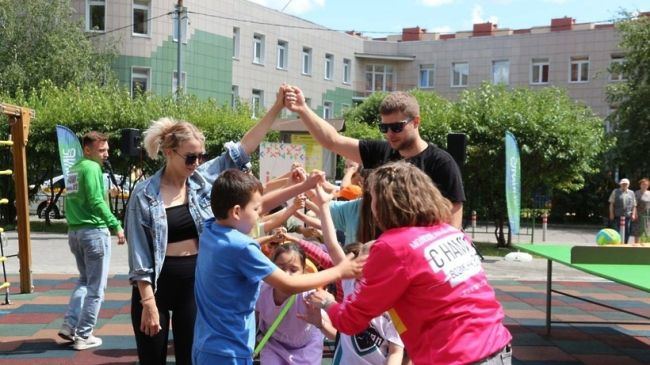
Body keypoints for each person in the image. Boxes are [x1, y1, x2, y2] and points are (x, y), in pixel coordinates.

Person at [124, 86, 287, 365]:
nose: (197, 163)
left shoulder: (201, 178)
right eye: (190, 157)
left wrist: (276, 107)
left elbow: (243, 149)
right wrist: (147, 303)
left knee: (192, 357)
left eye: (200, 156)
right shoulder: (145, 193)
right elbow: (139, 253)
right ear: (168, 152)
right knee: (152, 358)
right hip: (156, 286)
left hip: (194, 282)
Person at [307, 161, 512, 365]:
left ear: (386, 203)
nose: (371, 206)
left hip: (455, 356)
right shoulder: (451, 233)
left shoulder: (393, 246)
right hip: (497, 347)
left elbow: (350, 320)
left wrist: (328, 302)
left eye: (373, 199)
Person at [192, 169, 363, 365]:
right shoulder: (240, 246)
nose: (260, 214)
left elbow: (260, 203)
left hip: (205, 345)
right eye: (256, 211)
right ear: (237, 212)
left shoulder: (211, 228)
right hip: (229, 350)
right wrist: (339, 271)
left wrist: (302, 186)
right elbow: (288, 285)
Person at [284, 88, 465, 228]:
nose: (390, 134)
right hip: (380, 254)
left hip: (417, 261)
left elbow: (453, 222)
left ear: (416, 122)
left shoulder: (442, 163)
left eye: (397, 127)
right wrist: (302, 108)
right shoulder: (380, 151)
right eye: (384, 128)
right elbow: (332, 140)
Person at [58, 131, 126, 351]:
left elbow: (81, 199)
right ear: (87, 150)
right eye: (101, 150)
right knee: (96, 288)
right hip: (94, 232)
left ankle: (69, 325)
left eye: (106, 149)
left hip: (75, 232)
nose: (106, 154)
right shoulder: (92, 167)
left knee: (84, 281)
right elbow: (96, 200)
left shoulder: (75, 169)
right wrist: (116, 225)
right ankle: (84, 335)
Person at [255, 243, 325, 364]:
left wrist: (322, 320)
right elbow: (254, 318)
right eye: (281, 268)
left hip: (306, 348)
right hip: (274, 345)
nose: (286, 275)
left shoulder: (309, 295)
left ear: (303, 271)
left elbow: (333, 329)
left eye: (293, 270)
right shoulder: (262, 290)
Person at [608, 178, 637, 244]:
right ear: (620, 184)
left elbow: (634, 205)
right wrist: (611, 214)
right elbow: (611, 204)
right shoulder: (615, 191)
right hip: (617, 215)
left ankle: (625, 244)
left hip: (627, 215)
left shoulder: (631, 192)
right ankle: (617, 244)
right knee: (616, 231)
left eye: (626, 184)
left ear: (628, 185)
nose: (624, 185)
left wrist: (633, 214)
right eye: (623, 184)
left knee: (627, 231)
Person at [633, 178, 650, 243]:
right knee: (637, 231)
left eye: (646, 185)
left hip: (647, 215)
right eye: (643, 184)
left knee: (647, 230)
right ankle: (636, 246)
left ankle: (646, 246)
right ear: (640, 185)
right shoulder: (636, 193)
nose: (644, 186)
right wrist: (635, 214)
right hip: (639, 214)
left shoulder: (649, 193)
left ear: (648, 186)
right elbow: (634, 205)